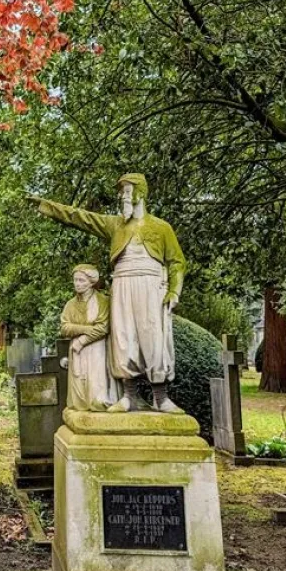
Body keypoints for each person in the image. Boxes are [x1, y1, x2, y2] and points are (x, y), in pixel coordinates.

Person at [29, 173, 186, 413]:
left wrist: (174, 291)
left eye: (126, 191)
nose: (122, 196)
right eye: (121, 191)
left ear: (140, 193)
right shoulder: (115, 225)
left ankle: (161, 397)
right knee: (124, 339)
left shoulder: (162, 228)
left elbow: (176, 262)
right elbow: (81, 218)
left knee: (155, 339)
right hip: (122, 284)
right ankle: (129, 396)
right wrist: (46, 206)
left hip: (151, 285)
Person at [60, 264, 116, 411]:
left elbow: (103, 327)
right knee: (78, 385)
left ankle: (97, 406)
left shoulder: (102, 301)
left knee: (95, 384)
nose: (77, 284)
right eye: (75, 280)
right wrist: (86, 329)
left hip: (96, 348)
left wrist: (82, 340)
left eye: (81, 280)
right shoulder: (70, 304)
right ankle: (80, 409)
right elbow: (65, 328)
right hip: (77, 350)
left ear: (91, 282)